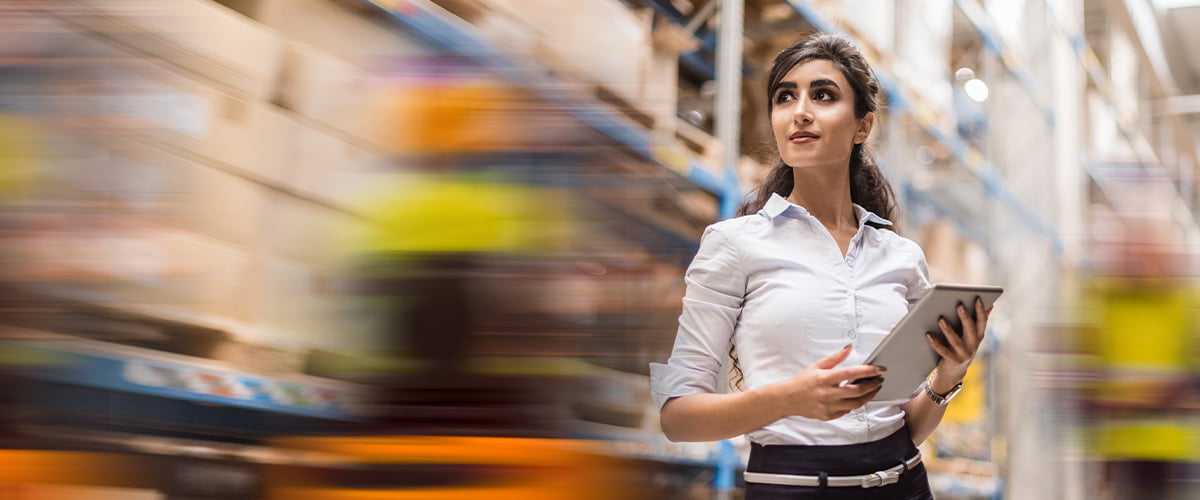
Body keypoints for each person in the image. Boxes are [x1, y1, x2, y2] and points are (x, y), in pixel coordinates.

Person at [649, 32, 992, 499]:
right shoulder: (734, 245)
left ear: (862, 126)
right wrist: (788, 399)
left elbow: (905, 428)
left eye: (823, 95)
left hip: (905, 485)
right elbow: (676, 417)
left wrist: (948, 376)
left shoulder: (900, 256)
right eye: (784, 97)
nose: (800, 111)